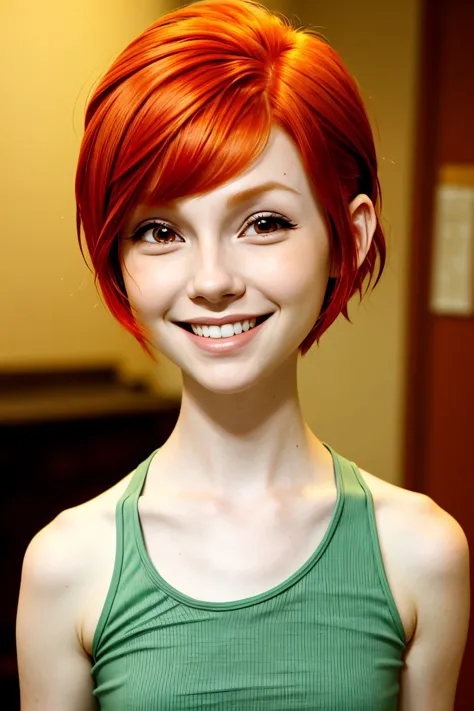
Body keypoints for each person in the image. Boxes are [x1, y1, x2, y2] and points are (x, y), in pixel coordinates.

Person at [16, 0, 470, 709]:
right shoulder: (67, 564)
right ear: (117, 254)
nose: (212, 280)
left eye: (263, 222)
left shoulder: (420, 553)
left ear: (346, 238)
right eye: (159, 230)